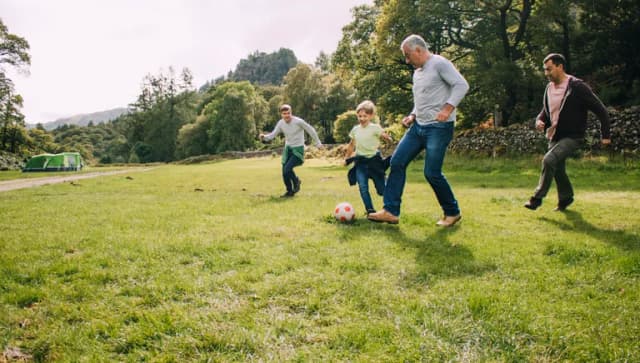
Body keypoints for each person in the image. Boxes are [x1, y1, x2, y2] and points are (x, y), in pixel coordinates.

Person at [368, 34, 469, 227]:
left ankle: (452, 212)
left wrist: (448, 108)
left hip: (439, 128)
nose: (407, 60)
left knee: (431, 172)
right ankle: (390, 211)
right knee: (397, 162)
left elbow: (461, 85)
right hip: (418, 127)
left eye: (408, 55)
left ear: (418, 50)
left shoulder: (440, 63)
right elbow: (422, 99)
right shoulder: (417, 73)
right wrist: (413, 115)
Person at [524, 53, 611, 211]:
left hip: (573, 136)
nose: (546, 74)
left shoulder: (577, 86)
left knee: (549, 160)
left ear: (560, 66)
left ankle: (536, 198)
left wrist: (605, 135)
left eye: (549, 69)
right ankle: (566, 198)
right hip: (554, 135)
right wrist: (540, 119)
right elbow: (546, 109)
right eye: (544, 70)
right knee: (557, 169)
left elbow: (601, 110)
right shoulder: (549, 88)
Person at [260, 104, 323, 197]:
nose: (286, 115)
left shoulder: (298, 122)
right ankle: (289, 191)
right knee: (284, 172)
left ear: (291, 112)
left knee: (287, 169)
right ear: (281, 114)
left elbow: (311, 130)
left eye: (288, 113)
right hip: (288, 149)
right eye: (284, 114)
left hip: (298, 149)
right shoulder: (281, 123)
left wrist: (318, 143)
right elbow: (272, 135)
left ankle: (296, 181)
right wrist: (264, 137)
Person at [344, 100, 392, 215]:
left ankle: (390, 208)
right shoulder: (355, 130)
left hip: (374, 162)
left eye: (365, 116)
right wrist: (347, 158)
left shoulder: (375, 128)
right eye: (359, 116)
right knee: (363, 187)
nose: (362, 118)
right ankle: (370, 210)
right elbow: (351, 145)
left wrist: (388, 139)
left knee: (382, 190)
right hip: (360, 162)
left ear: (371, 116)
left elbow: (385, 137)